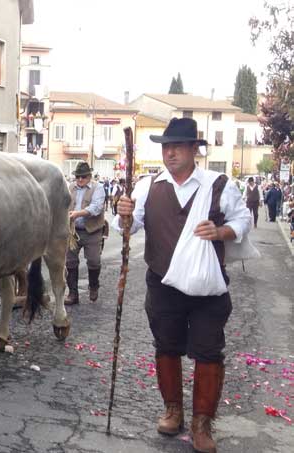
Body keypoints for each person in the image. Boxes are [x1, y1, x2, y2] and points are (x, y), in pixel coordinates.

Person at [115, 117, 251, 453]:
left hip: (208, 288)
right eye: (166, 147)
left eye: (178, 146)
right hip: (162, 283)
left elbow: (243, 219)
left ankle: (202, 424)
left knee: (208, 352)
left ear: (194, 150)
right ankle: (173, 410)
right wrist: (123, 214)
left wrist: (221, 232)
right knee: (167, 346)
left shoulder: (219, 184)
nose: (170, 152)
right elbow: (128, 231)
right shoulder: (149, 186)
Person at [64, 161, 106, 305]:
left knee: (94, 260)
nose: (80, 180)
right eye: (78, 177)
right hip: (73, 231)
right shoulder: (70, 188)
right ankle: (73, 294)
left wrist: (77, 214)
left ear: (89, 176)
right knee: (69, 261)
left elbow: (96, 208)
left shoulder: (98, 188)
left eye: (83, 177)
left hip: (92, 231)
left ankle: (93, 286)